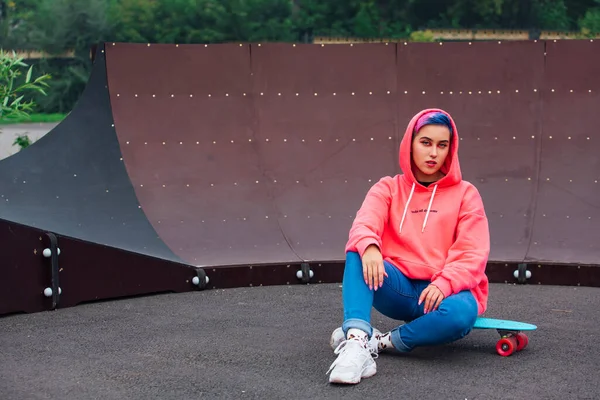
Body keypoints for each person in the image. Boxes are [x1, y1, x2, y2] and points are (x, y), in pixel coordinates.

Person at [326, 108, 490, 384]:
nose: (434, 153)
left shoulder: (466, 194)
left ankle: (378, 343)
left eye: (442, 145)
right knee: (359, 249)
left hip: (443, 295)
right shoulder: (388, 188)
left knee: (463, 313)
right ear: (410, 144)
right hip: (398, 289)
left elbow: (472, 252)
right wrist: (371, 248)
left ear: (451, 149)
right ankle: (355, 343)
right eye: (425, 143)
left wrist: (444, 283)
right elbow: (364, 225)